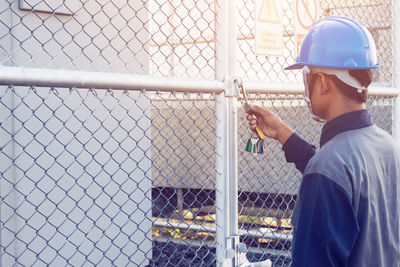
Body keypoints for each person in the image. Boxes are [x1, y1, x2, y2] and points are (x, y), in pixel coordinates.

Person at [246, 16, 400, 266]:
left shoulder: (327, 169)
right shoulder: (390, 147)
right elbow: (346, 179)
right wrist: (283, 134)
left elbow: (333, 173)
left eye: (307, 77)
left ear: (324, 82)